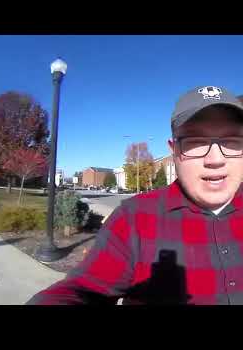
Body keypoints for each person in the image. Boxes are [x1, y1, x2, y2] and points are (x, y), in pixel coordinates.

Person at [27, 86, 243, 305]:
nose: (215, 159)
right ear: (174, 150)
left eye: (232, 141)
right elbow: (83, 289)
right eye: (196, 142)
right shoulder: (133, 218)